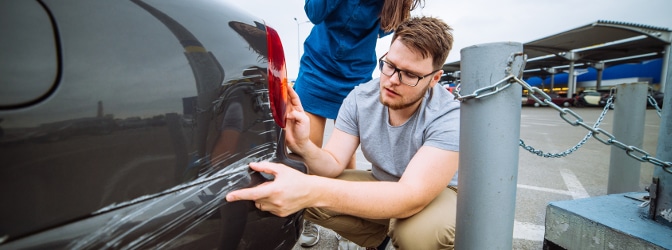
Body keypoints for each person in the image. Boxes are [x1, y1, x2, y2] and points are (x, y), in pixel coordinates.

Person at [227, 16, 458, 249]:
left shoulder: (448, 114)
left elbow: (411, 195)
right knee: (293, 184)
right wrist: (303, 145)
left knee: (421, 233)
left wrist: (310, 190)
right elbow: (334, 164)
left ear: (434, 79)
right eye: (390, 65)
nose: (392, 81)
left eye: (409, 75)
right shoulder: (360, 98)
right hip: (384, 182)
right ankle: (384, 241)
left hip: (437, 193)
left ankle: (408, 239)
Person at [295, 1, 425, 246]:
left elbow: (386, 28)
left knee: (344, 158)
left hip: (355, 74)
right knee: (306, 150)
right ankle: (307, 214)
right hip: (317, 68)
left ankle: (348, 224)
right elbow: (314, 13)